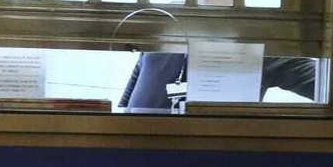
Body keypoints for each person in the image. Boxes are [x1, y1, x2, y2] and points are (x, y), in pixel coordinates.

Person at [119, 51, 317, 112]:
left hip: (213, 163)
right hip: (142, 152)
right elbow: (125, 104)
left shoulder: (260, 43)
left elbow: (328, 86)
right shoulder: (169, 20)